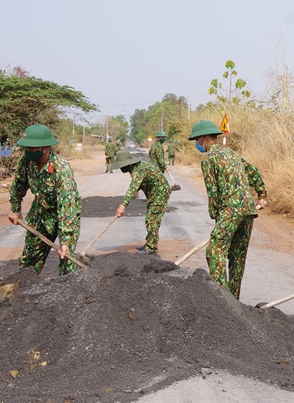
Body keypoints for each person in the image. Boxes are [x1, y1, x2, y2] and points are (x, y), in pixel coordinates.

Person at [189, 120, 266, 299]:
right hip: (248, 209)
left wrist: (217, 217)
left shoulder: (209, 160)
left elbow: (213, 193)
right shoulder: (231, 153)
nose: (197, 144)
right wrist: (262, 195)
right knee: (237, 257)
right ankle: (234, 301)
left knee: (215, 250)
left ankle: (222, 300)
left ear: (205, 138)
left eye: (197, 140)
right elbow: (253, 171)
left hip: (231, 209)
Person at [7, 124, 82, 275]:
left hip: (64, 214)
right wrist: (16, 210)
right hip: (40, 211)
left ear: (44, 148)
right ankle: (24, 293)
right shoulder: (26, 161)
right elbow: (19, 185)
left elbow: (66, 205)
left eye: (31, 149)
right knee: (29, 261)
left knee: (66, 261)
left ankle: (66, 293)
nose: (27, 152)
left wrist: (66, 240)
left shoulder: (61, 169)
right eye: (26, 149)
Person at [112, 149, 170, 255]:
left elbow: (132, 187)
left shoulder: (140, 169)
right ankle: (150, 242)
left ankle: (151, 247)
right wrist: (137, 190)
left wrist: (123, 205)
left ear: (128, 164)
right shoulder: (134, 168)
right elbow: (137, 184)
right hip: (154, 194)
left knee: (152, 219)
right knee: (150, 218)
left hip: (160, 194)